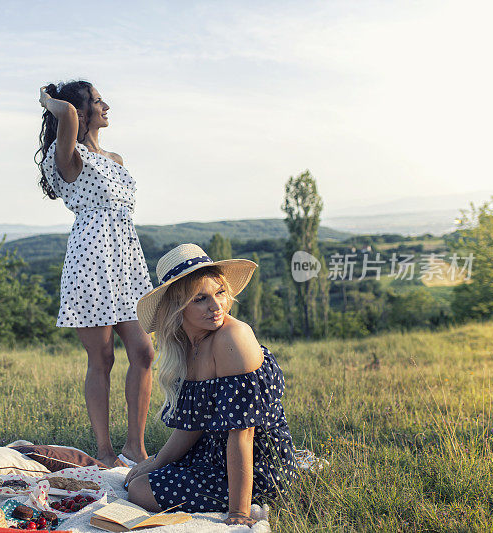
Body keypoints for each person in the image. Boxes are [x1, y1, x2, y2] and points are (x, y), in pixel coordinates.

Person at [125, 243, 297, 526]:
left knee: (140, 490)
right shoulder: (190, 344)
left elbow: (243, 434)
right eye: (200, 299)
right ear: (177, 308)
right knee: (138, 478)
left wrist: (238, 514)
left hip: (257, 463)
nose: (216, 306)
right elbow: (193, 426)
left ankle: (250, 503)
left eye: (219, 293)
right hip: (215, 451)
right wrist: (156, 462)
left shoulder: (233, 338)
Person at [36, 80, 154, 467]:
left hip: (126, 258)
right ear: (82, 111)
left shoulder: (115, 159)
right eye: (99, 101)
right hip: (91, 260)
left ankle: (134, 448)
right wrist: (49, 100)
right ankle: (104, 453)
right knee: (102, 358)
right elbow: (67, 114)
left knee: (143, 351)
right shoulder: (66, 155)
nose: (108, 106)